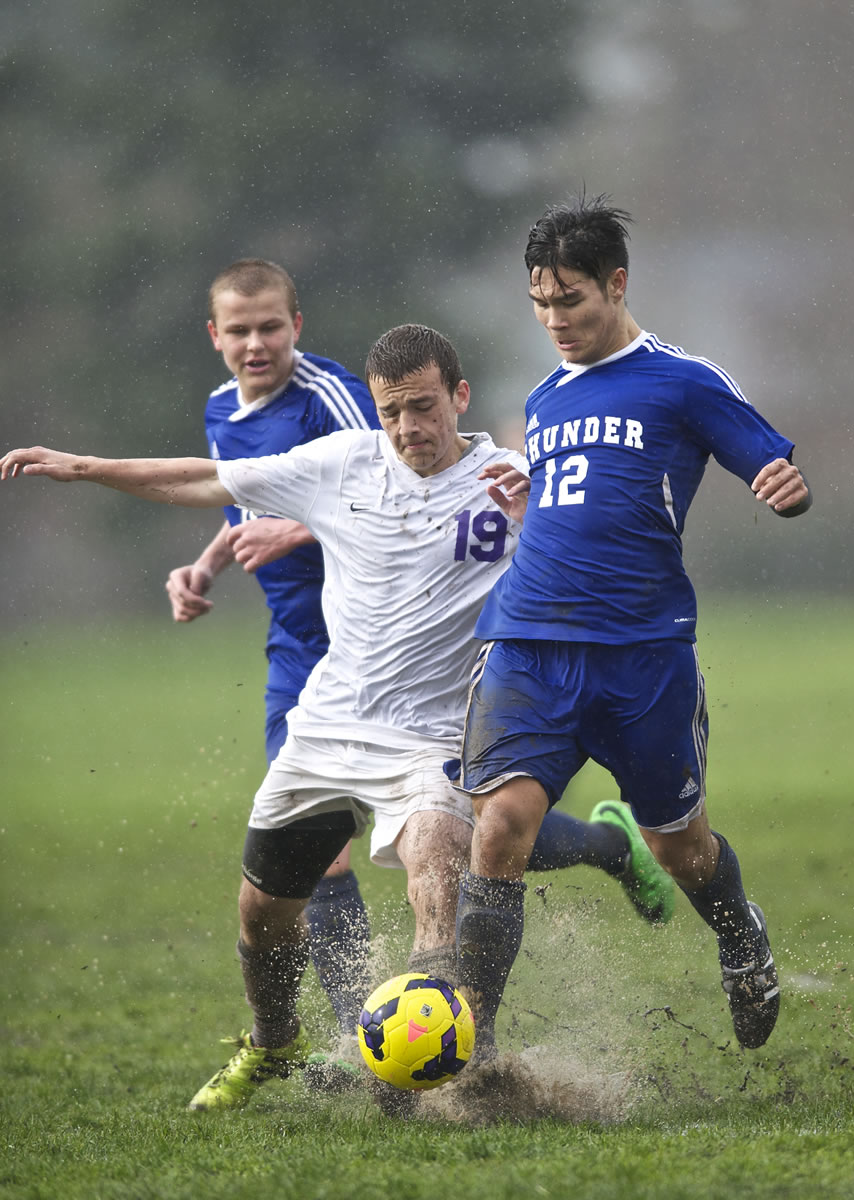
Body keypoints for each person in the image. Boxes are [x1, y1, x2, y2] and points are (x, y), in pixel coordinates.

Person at [1, 324, 673, 1117]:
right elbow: (203, 479)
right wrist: (82, 468)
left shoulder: (511, 480)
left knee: (438, 867)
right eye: (391, 412)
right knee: (262, 912)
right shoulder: (343, 462)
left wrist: (539, 528)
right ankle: (275, 1039)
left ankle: (434, 1062)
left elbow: (609, 567)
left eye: (423, 408)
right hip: (325, 729)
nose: (408, 428)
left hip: (434, 738)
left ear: (459, 397)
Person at [448, 196, 812, 1064]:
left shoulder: (683, 380)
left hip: (643, 655)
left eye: (570, 299)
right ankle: (475, 1048)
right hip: (531, 641)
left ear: (617, 283)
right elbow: (570, 506)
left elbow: (765, 456)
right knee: (499, 825)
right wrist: (531, 509)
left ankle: (738, 932)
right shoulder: (539, 400)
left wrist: (781, 483)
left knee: (677, 847)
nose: (554, 320)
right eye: (540, 303)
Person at [164, 258, 379, 1037]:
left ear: (298, 327)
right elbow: (242, 502)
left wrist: (302, 526)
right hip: (296, 653)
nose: (257, 344)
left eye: (271, 327)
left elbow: (397, 489)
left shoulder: (330, 399)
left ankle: (608, 848)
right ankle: (369, 1037)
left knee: (463, 828)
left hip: (379, 645)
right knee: (317, 849)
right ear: (215, 335)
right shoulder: (223, 408)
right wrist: (205, 565)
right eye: (240, 330)